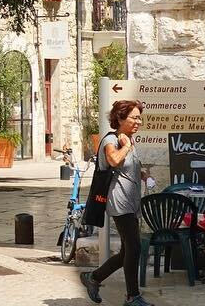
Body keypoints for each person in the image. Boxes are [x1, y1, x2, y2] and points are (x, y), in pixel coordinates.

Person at [80, 100, 153, 306]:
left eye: (139, 118)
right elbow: (113, 160)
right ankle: (132, 296)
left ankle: (93, 277)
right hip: (119, 201)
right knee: (134, 248)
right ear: (120, 118)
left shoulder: (129, 139)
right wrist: (127, 146)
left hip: (131, 201)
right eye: (134, 117)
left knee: (127, 251)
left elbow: (129, 167)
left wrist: (144, 175)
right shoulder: (111, 140)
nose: (138, 121)